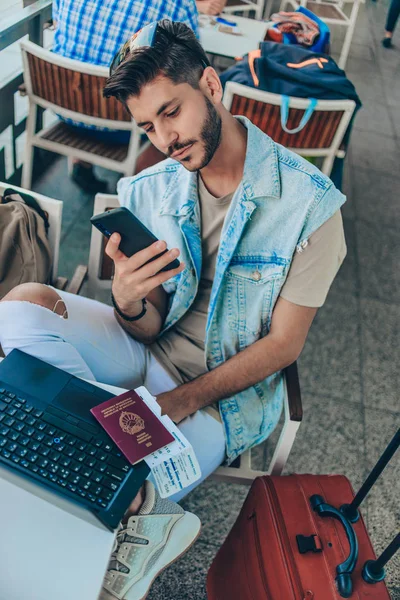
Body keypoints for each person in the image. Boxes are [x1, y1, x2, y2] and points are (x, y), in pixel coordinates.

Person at [0, 19, 347, 600]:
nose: (164, 137)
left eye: (171, 112)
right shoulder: (152, 187)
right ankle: (104, 431)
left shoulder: (311, 209)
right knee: (20, 305)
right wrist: (129, 299)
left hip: (221, 399)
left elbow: (284, 345)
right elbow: (149, 323)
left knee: (109, 489)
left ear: (211, 86)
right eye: (147, 125)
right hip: (144, 352)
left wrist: (179, 401)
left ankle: (106, 456)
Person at [51, 0, 199, 192]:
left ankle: (81, 163)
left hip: (64, 108)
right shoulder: (177, 3)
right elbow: (190, 54)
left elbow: (58, 26)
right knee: (174, 103)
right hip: (123, 124)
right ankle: (136, 181)